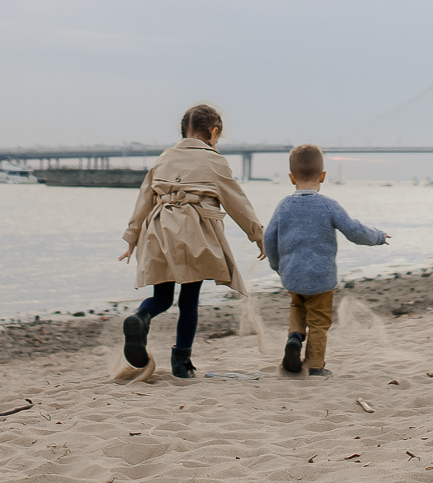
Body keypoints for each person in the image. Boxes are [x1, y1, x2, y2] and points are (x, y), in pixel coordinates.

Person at [119, 103, 265, 379]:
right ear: (213, 131)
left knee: (161, 297)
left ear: (183, 129)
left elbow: (143, 199)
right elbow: (237, 202)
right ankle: (181, 362)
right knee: (189, 300)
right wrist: (257, 235)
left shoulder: (164, 157)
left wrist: (131, 239)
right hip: (192, 232)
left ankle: (139, 317)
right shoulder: (214, 160)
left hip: (158, 230)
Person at [262, 143, 389, 377]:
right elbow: (353, 231)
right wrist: (378, 237)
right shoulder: (328, 205)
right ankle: (314, 366)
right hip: (321, 278)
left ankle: (294, 336)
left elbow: (268, 237)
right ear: (323, 175)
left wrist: (277, 266)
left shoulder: (284, 205)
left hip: (292, 275)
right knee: (319, 322)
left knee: (297, 307)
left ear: (291, 178)